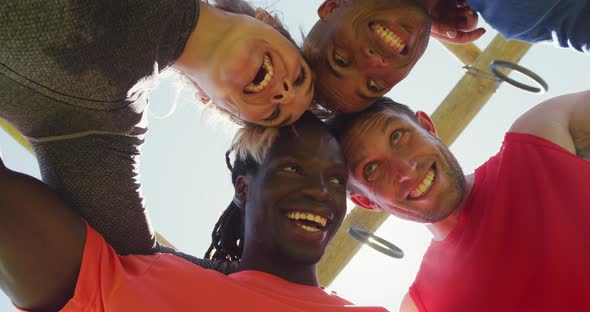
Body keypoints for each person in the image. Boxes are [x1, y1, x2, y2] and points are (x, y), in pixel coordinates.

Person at [0, 0, 312, 257]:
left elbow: (142, 263)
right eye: (299, 76)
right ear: (268, 21)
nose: (284, 92)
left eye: (274, 114)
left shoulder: (105, 127)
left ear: (211, 104)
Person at [0, 112, 389, 311]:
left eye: (337, 180)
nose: (321, 192)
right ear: (243, 188)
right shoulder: (149, 281)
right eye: (292, 169)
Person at [327, 91, 590, 311]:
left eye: (397, 136)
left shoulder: (538, 135)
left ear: (427, 127)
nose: (405, 170)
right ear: (367, 202)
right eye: (372, 169)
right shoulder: (421, 306)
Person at [304, 0, 588, 113]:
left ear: (333, 7)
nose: (374, 63)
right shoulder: (520, 19)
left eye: (342, 59)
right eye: (375, 86)